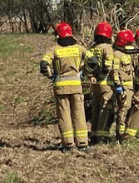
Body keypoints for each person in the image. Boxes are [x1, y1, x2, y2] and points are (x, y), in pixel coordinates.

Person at [38, 22, 90, 153]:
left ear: (58, 35)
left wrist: (50, 75)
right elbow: (93, 61)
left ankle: (68, 144)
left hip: (61, 88)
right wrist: (84, 73)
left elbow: (44, 64)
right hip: (76, 87)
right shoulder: (79, 48)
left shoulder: (54, 50)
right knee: (79, 114)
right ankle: (83, 144)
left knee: (64, 115)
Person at [103, 28, 138, 142]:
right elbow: (115, 71)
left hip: (130, 87)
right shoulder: (117, 55)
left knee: (127, 110)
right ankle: (120, 136)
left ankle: (123, 134)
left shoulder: (126, 54)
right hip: (124, 87)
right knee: (123, 110)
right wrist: (118, 85)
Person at [85, 22, 117, 142]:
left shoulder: (92, 48)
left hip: (95, 86)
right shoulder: (107, 48)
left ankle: (94, 134)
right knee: (106, 111)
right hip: (106, 84)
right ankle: (102, 137)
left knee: (96, 110)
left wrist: (91, 77)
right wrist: (103, 76)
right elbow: (108, 65)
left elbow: (87, 66)